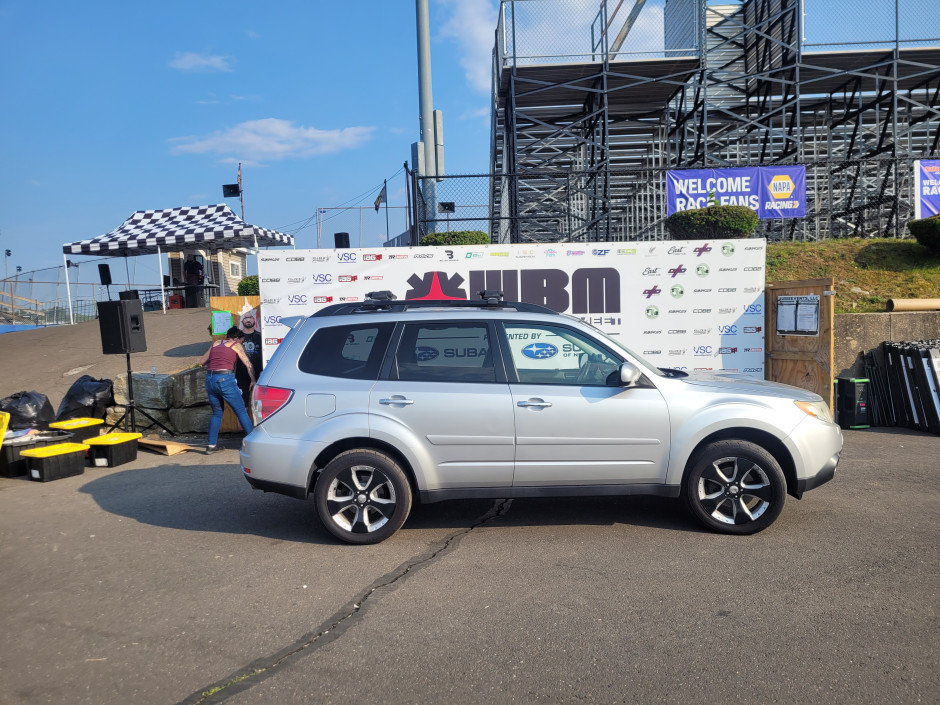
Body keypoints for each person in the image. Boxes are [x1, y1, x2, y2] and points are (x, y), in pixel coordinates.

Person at [198, 326, 255, 454]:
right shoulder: (235, 345)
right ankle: (253, 444)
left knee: (217, 413)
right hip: (225, 379)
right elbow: (248, 364)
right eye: (242, 340)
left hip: (210, 379)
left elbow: (201, 361)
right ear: (236, 338)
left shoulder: (216, 343)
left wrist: (216, 363)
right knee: (241, 411)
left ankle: (211, 446)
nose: (242, 343)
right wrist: (253, 380)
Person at [235, 308, 263, 408]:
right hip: (242, 376)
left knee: (259, 406)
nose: (248, 319)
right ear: (242, 320)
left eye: (250, 317)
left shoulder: (261, 336)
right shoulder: (237, 338)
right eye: (245, 317)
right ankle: (245, 424)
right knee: (243, 406)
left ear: (254, 320)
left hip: (260, 375)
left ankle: (258, 424)